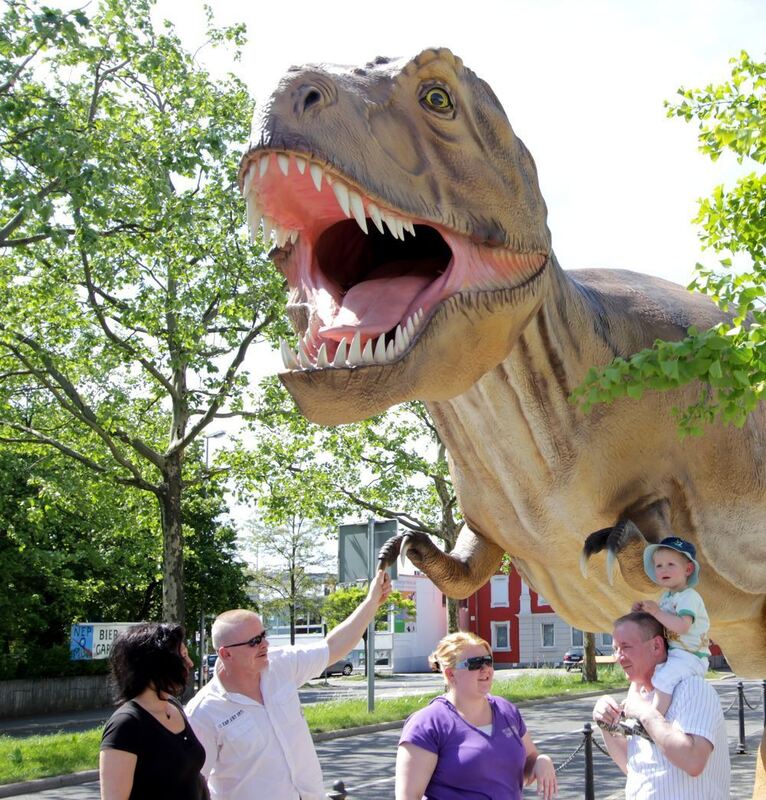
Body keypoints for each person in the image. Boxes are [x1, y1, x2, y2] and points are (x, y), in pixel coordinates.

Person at [186, 569, 392, 800]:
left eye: (263, 635)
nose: (265, 644)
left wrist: (372, 602)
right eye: (254, 642)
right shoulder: (203, 713)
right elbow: (192, 785)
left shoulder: (280, 664)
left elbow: (333, 647)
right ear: (226, 654)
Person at [395, 631, 558, 800]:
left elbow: (529, 759)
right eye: (475, 664)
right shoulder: (427, 724)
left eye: (488, 661)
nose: (485, 669)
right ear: (450, 674)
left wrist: (541, 761)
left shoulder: (506, 711)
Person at [593, 612, 730, 799]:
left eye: (625, 647)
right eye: (615, 649)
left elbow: (693, 761)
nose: (618, 657)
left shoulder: (693, 689)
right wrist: (606, 725)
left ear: (656, 646)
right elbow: (634, 768)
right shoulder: (640, 697)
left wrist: (645, 713)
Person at [100, 622, 207, 800]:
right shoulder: (126, 724)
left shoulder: (173, 706)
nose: (189, 663)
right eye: (183, 656)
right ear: (157, 663)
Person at [631, 536, 710, 716]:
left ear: (688, 569)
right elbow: (659, 625)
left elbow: (683, 626)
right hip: (675, 655)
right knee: (652, 675)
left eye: (670, 564)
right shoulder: (666, 598)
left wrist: (657, 612)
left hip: (691, 656)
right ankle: (644, 711)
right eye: (658, 565)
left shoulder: (689, 596)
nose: (663, 569)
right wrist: (641, 614)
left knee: (665, 678)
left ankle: (651, 721)